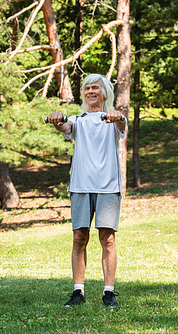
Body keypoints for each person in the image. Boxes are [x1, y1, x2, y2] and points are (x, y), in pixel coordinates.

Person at [46, 73, 126, 308]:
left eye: (95, 88)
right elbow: (65, 126)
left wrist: (117, 116)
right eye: (87, 88)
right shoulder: (78, 119)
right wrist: (57, 120)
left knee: (107, 240)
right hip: (80, 186)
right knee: (79, 238)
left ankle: (108, 292)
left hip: (108, 187)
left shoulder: (113, 118)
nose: (90, 91)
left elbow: (121, 123)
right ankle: (78, 292)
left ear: (105, 93)